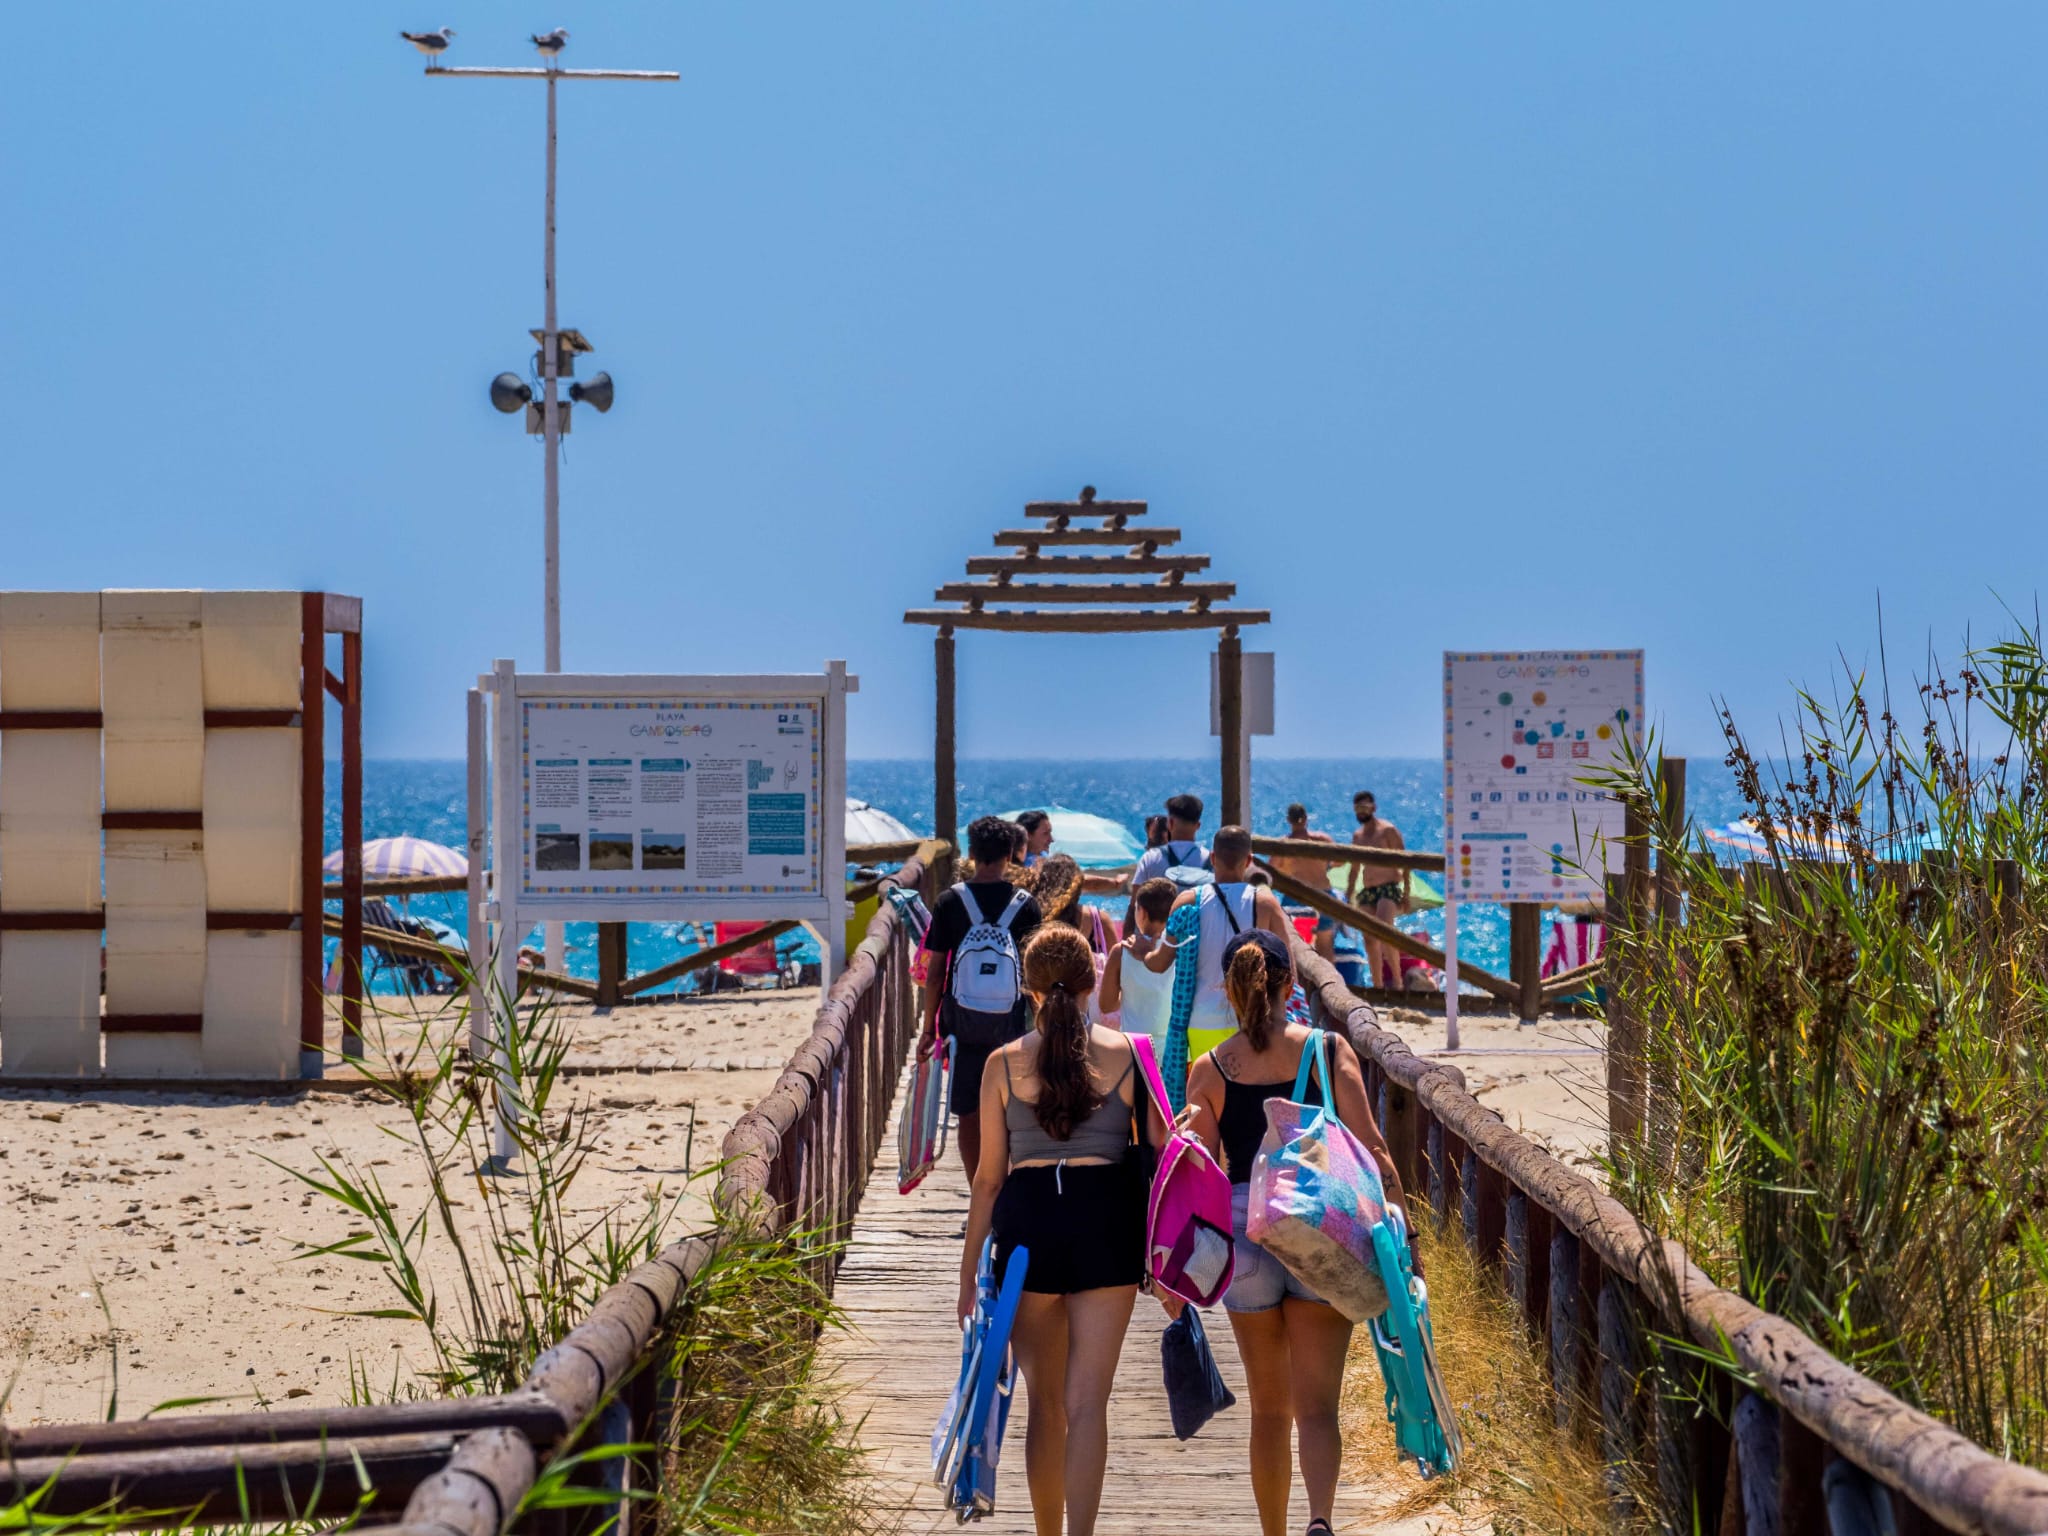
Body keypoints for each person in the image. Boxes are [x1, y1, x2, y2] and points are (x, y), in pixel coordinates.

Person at [1180, 927, 1412, 1536]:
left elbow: (1199, 1173)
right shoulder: (1328, 1051)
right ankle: (1320, 1519)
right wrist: (1404, 1237)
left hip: (1246, 1234)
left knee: (1268, 1410)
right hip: (1322, 1227)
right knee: (1317, 1408)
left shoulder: (1211, 1069)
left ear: (1230, 991)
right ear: (1290, 984)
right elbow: (1374, 1150)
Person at [961, 924, 1168, 1536]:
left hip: (1028, 1233)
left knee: (1045, 1406)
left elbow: (988, 1181)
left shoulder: (1002, 1064)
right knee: (1088, 1405)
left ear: (1028, 989)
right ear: (1090, 985)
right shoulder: (1132, 1053)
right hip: (1108, 1225)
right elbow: (1162, 1152)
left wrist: (968, 1274)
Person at [923, 815, 1044, 1178]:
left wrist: (928, 1029)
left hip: (962, 1027)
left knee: (969, 1114)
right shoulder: (1026, 905)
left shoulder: (950, 902)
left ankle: (978, 1192)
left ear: (972, 853)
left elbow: (935, 973)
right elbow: (1033, 974)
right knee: (1010, 1112)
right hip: (1011, 1028)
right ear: (1010, 855)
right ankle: (1004, 1189)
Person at [1142, 824, 1293, 1106]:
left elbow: (1160, 963)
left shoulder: (1187, 901)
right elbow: (1288, 971)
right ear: (1249, 860)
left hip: (1201, 1022)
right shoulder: (1265, 903)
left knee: (1206, 1104)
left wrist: (1142, 950)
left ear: (1212, 858)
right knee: (1247, 1104)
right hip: (1252, 1020)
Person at [1097, 876, 1176, 1048]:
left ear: (1142, 913)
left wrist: (1129, 993)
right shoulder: (1181, 949)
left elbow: (1106, 1005)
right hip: (1173, 1046)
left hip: (1134, 1046)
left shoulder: (1121, 951)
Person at [1344, 791, 1410, 993]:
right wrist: (1348, 895)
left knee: (1385, 930)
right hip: (1368, 889)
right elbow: (1354, 868)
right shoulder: (1358, 836)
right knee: (1369, 938)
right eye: (1358, 808)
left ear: (1373, 808)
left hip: (1388, 887)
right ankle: (1378, 986)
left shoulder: (1387, 830)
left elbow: (1406, 860)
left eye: (1365, 807)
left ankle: (1397, 983)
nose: (1361, 812)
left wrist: (1406, 893)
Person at [1269, 803, 1339, 961]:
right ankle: (1330, 977)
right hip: (1324, 896)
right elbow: (1340, 860)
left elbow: (1271, 871)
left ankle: (1299, 977)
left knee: (1297, 948)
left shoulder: (1284, 844)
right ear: (1306, 819)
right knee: (1325, 945)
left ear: (1288, 820)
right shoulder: (1322, 840)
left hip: (1296, 898)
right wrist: (1326, 866)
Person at [1129, 793, 1209, 888]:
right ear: (1198, 826)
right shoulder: (1210, 860)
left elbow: (1136, 896)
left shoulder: (1150, 858)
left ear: (1170, 823)